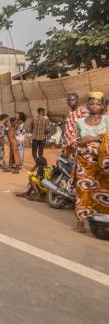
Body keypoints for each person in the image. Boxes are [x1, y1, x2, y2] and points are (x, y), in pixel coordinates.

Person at [72, 92, 109, 233]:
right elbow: (78, 139)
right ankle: (80, 222)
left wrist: (91, 139)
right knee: (83, 190)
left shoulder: (106, 120)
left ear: (102, 106)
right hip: (84, 162)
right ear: (87, 105)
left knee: (103, 189)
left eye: (98, 104)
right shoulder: (80, 122)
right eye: (92, 103)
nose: (94, 106)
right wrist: (80, 143)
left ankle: (102, 220)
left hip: (102, 162)